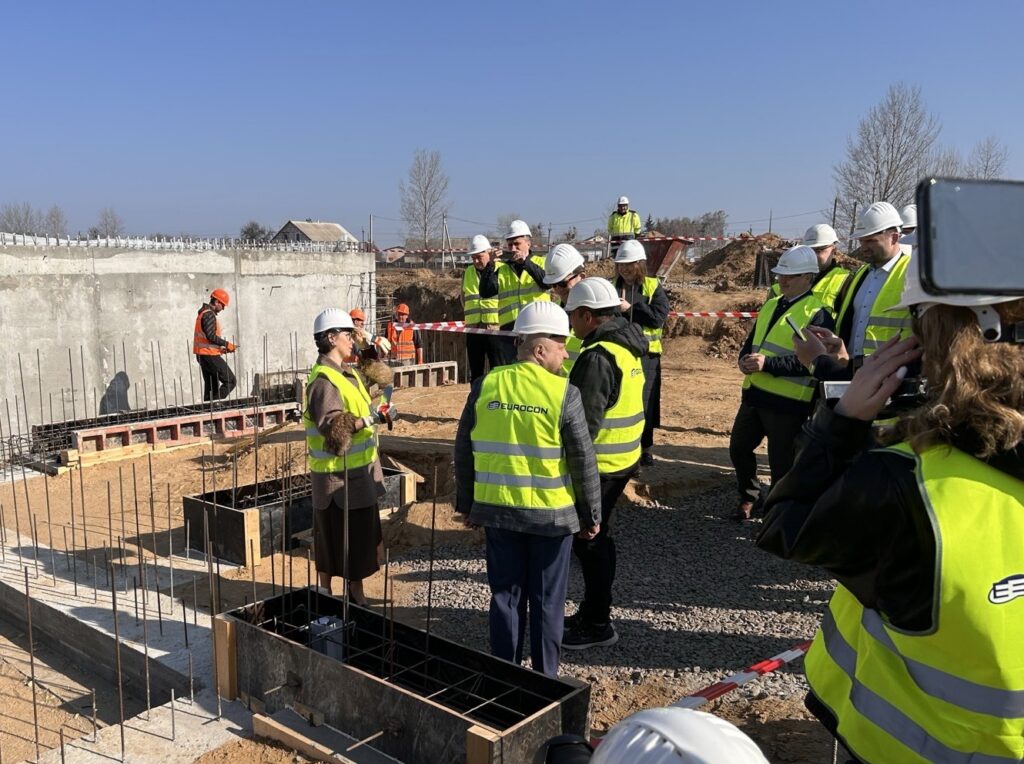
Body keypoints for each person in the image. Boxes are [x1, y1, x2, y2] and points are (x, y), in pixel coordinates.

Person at [756, 262, 1024, 763]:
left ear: (939, 339)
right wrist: (834, 370)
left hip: (920, 747)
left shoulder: (907, 485)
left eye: (915, 329)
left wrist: (840, 423)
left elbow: (784, 527)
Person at [454, 300, 601, 677]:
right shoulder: (563, 393)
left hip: (498, 512)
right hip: (551, 519)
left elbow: (463, 449)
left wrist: (468, 504)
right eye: (559, 345)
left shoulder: (485, 385)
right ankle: (545, 679)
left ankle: (506, 676)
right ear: (539, 350)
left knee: (505, 596)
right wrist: (591, 516)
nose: (565, 353)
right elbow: (583, 461)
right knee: (548, 601)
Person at [561, 277, 647, 650]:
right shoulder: (625, 346)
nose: (570, 326)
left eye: (572, 317)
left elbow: (583, 424)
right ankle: (594, 614)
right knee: (598, 538)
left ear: (587, 315)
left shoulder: (597, 357)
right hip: (622, 459)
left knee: (590, 541)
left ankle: (597, 622)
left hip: (602, 464)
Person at [730, 246, 835, 520]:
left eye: (791, 276)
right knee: (739, 448)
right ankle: (750, 497)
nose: (783, 280)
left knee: (781, 463)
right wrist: (744, 360)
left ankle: (778, 513)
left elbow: (812, 360)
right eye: (780, 275)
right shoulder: (772, 304)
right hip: (755, 394)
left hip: (788, 404)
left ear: (809, 277)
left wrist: (768, 365)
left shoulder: (818, 313)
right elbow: (753, 342)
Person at [304, 308, 395, 605]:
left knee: (356, 536)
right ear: (331, 338)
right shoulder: (323, 381)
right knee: (336, 537)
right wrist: (369, 421)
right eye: (348, 334)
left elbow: (382, 378)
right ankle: (333, 595)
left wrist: (368, 346)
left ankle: (352, 593)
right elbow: (333, 430)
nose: (352, 339)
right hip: (336, 477)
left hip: (356, 472)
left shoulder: (349, 372)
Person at [800, 202, 912, 381]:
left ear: (894, 237)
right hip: (851, 371)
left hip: (893, 378)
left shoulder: (912, 274)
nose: (863, 247)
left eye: (871, 240)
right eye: (861, 240)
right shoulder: (860, 274)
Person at [613, 240, 668, 466]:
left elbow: (657, 318)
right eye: (621, 264)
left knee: (645, 403)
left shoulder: (653, 287)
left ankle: (645, 448)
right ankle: (625, 447)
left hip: (647, 357)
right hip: (618, 353)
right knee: (622, 401)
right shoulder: (610, 286)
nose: (625, 269)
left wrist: (631, 308)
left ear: (640, 264)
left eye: (630, 264)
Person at [479, 219, 551, 364]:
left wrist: (526, 263)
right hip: (510, 330)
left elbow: (546, 283)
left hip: (536, 326)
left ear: (528, 244)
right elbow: (485, 291)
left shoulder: (541, 262)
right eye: (510, 245)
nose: (513, 249)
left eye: (517, 244)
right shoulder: (502, 269)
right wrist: (490, 265)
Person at [767, 224, 850, 312]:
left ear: (833, 250)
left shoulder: (845, 281)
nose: (813, 255)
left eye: (819, 250)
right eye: (809, 250)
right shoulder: (786, 275)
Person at [462, 235, 503, 382]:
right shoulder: (468, 272)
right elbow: (464, 298)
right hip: (473, 328)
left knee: (497, 371)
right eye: (473, 258)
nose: (476, 261)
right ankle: (475, 401)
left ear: (489, 253)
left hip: (496, 328)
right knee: (476, 373)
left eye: (479, 257)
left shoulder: (502, 270)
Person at [543, 243, 587, 374]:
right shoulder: (553, 312)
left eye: (562, 283)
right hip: (557, 387)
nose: (557, 290)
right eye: (553, 284)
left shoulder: (598, 313)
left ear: (582, 277)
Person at [192, 288, 237, 401]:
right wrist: (227, 344)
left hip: (203, 355)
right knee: (230, 381)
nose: (223, 308)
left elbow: (206, 339)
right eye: (223, 305)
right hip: (208, 356)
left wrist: (220, 349)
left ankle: (208, 411)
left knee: (211, 387)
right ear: (216, 302)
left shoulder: (203, 314)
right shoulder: (209, 315)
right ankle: (215, 406)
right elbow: (210, 336)